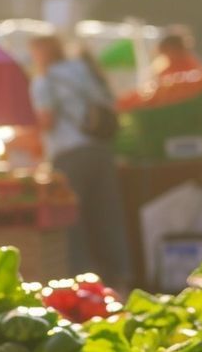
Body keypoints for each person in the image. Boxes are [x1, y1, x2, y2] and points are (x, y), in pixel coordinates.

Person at [29, 34, 131, 291]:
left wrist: (22, 138)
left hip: (69, 153)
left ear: (40, 54)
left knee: (71, 219)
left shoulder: (45, 81)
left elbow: (47, 120)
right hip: (100, 148)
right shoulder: (82, 69)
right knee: (106, 214)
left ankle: (82, 281)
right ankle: (119, 277)